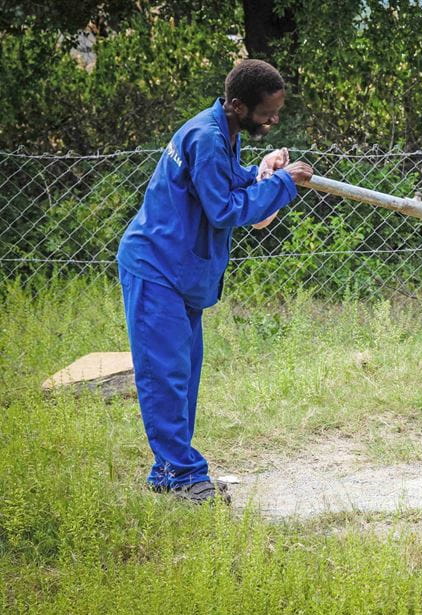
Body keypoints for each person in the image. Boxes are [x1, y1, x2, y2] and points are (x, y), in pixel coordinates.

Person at [117, 59, 313, 503]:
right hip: (156, 268)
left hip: (179, 270)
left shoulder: (221, 131)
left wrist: (262, 173)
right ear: (238, 105)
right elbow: (223, 209)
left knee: (183, 377)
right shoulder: (206, 137)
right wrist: (282, 183)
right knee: (164, 377)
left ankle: (170, 474)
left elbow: (225, 186)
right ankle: (185, 477)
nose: (274, 119)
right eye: (267, 112)